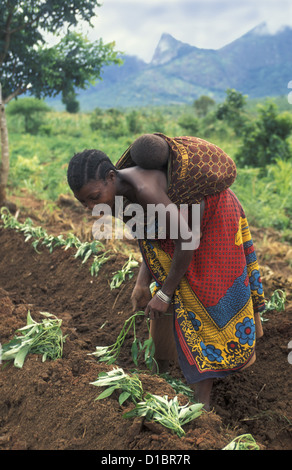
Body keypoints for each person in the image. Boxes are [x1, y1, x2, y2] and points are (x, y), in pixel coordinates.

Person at [67, 133, 265, 411]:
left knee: (204, 292)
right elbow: (148, 235)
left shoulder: (146, 189)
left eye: (93, 197)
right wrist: (142, 282)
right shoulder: (115, 197)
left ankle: (202, 402)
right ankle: (162, 370)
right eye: (84, 203)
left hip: (213, 216)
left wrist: (165, 292)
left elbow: (187, 238)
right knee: (168, 285)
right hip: (183, 225)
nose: (91, 207)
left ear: (111, 177)